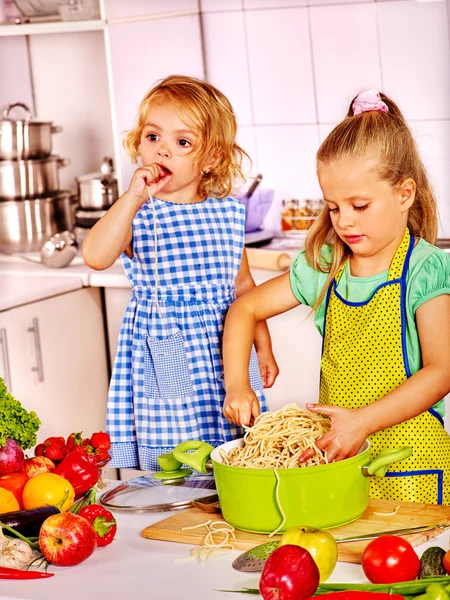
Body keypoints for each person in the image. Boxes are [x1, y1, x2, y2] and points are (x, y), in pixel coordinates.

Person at [222, 89, 450, 504]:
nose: (344, 221)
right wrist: (238, 383)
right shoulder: (327, 265)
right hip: (343, 458)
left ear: (405, 194)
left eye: (359, 206)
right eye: (332, 207)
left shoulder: (425, 268)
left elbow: (441, 370)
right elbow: (245, 308)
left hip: (414, 464)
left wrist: (362, 422)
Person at [82, 75, 279, 471]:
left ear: (212, 160)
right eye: (153, 137)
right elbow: (95, 256)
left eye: (182, 143)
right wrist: (133, 197)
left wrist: (263, 345)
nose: (162, 152)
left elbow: (244, 287)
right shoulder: (137, 212)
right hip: (166, 349)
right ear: (138, 142)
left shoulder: (226, 214)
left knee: (233, 448)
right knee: (176, 452)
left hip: (227, 349)